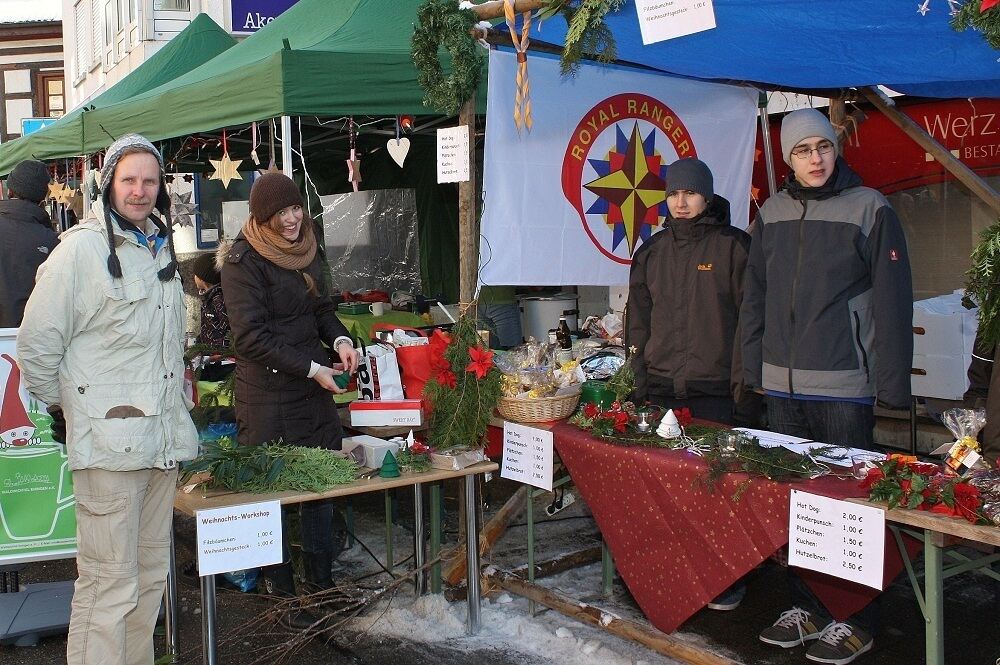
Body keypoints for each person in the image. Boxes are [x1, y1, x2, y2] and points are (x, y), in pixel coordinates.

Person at [16, 134, 197, 665]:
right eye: (129, 180)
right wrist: (67, 410)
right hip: (109, 452)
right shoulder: (80, 250)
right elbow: (36, 345)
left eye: (149, 180)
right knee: (107, 587)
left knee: (147, 585)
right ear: (108, 184)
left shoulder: (159, 247)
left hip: (160, 447)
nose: (140, 191)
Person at [741, 108, 913, 664]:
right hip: (782, 389)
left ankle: (856, 617)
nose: (814, 159)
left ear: (836, 149)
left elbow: (891, 299)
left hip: (843, 385)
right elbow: (755, 300)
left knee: (848, 508)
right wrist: (750, 371)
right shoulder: (770, 212)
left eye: (822, 147)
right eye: (801, 150)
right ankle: (807, 607)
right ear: (788, 158)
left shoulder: (870, 208)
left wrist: (891, 383)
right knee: (797, 505)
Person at [220, 172, 358, 600]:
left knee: (320, 486)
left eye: (296, 208)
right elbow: (250, 338)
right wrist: (312, 367)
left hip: (309, 389)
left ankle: (321, 586)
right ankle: (281, 594)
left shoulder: (306, 249)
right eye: (281, 213)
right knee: (274, 494)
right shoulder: (244, 262)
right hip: (268, 396)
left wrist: (339, 338)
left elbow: (319, 307)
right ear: (263, 218)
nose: (293, 219)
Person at [627, 158, 750, 425]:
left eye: (690, 193)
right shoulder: (650, 252)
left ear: (707, 197)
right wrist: (638, 387)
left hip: (716, 394)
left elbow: (749, 326)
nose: (680, 203)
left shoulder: (735, 247)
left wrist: (745, 397)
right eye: (673, 194)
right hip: (660, 392)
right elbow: (637, 325)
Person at [0, 159, 58, 327]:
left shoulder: (51, 241)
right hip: (33, 336)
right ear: (42, 199)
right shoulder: (53, 242)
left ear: (9, 191)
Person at [192, 251, 230, 349]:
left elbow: (227, 329)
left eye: (195, 275)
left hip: (220, 357)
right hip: (210, 352)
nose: (194, 278)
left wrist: (221, 350)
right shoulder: (209, 297)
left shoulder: (219, 299)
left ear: (202, 279)